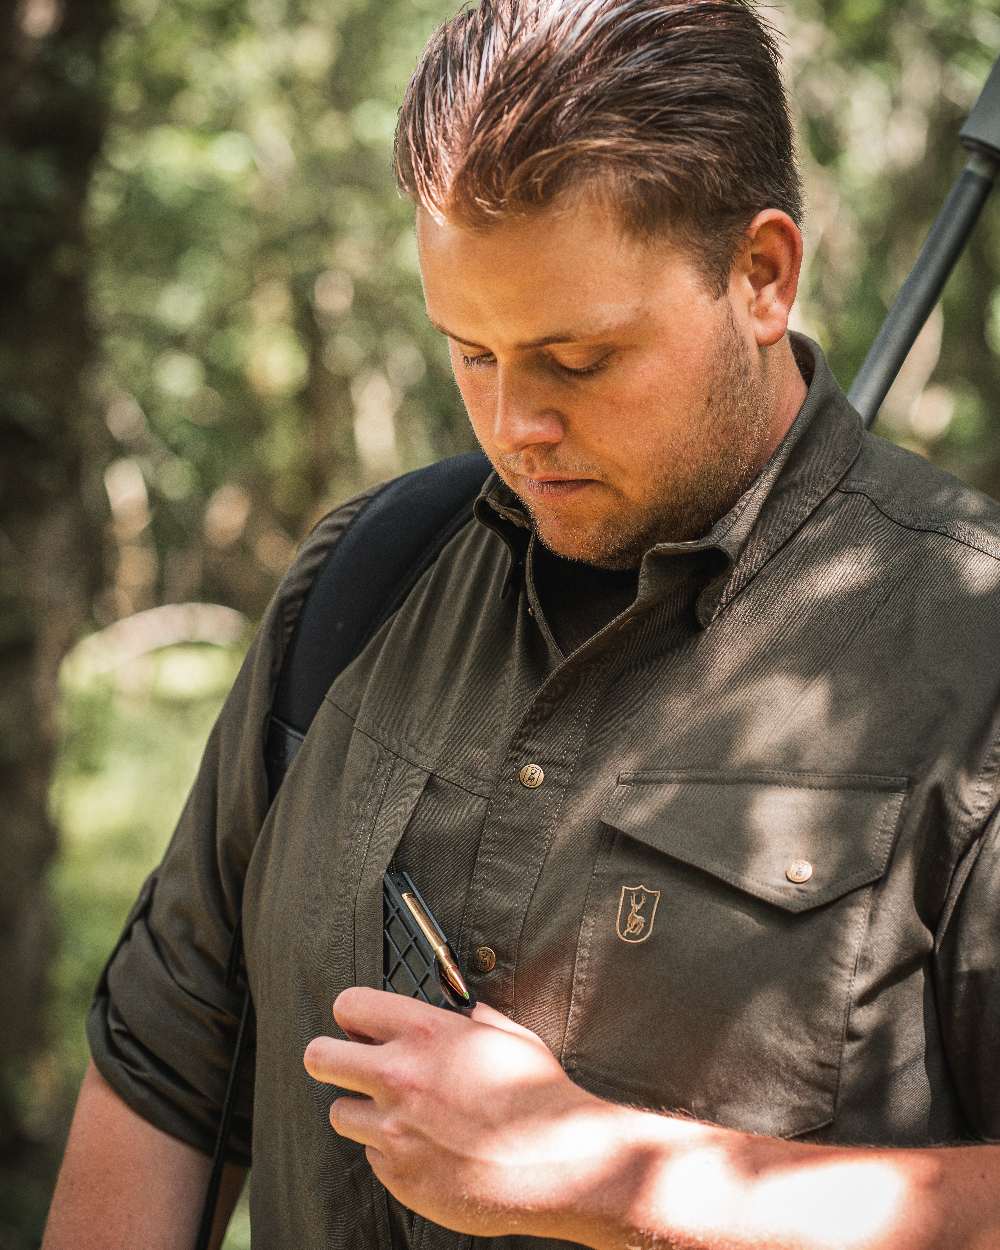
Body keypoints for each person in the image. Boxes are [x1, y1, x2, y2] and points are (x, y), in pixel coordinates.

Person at [42, 0, 1000, 1247]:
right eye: (471, 353)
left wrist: (618, 1173)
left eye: (578, 360)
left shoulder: (969, 651)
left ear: (761, 276)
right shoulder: (363, 579)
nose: (514, 425)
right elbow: (168, 1066)